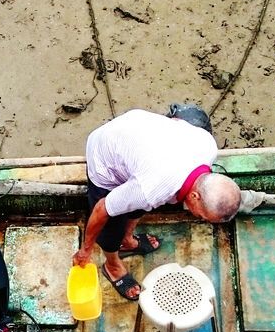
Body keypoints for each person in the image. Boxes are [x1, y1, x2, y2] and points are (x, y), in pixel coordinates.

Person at [71, 106, 241, 300]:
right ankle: (112, 266)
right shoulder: (151, 188)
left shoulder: (208, 146)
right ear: (195, 196)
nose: (199, 218)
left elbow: (177, 123)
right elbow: (102, 209)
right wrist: (85, 250)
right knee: (111, 227)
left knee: (139, 205)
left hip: (138, 135)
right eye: (201, 216)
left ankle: (127, 241)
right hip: (105, 155)